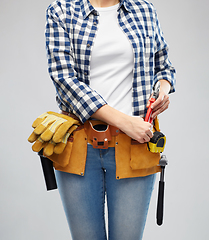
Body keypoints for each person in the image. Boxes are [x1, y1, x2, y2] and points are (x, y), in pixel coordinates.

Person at [45, 0, 176, 239]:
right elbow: (64, 80)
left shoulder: (144, 9)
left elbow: (163, 66)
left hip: (134, 146)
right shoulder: (62, 11)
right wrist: (125, 122)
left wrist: (163, 89)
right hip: (80, 145)